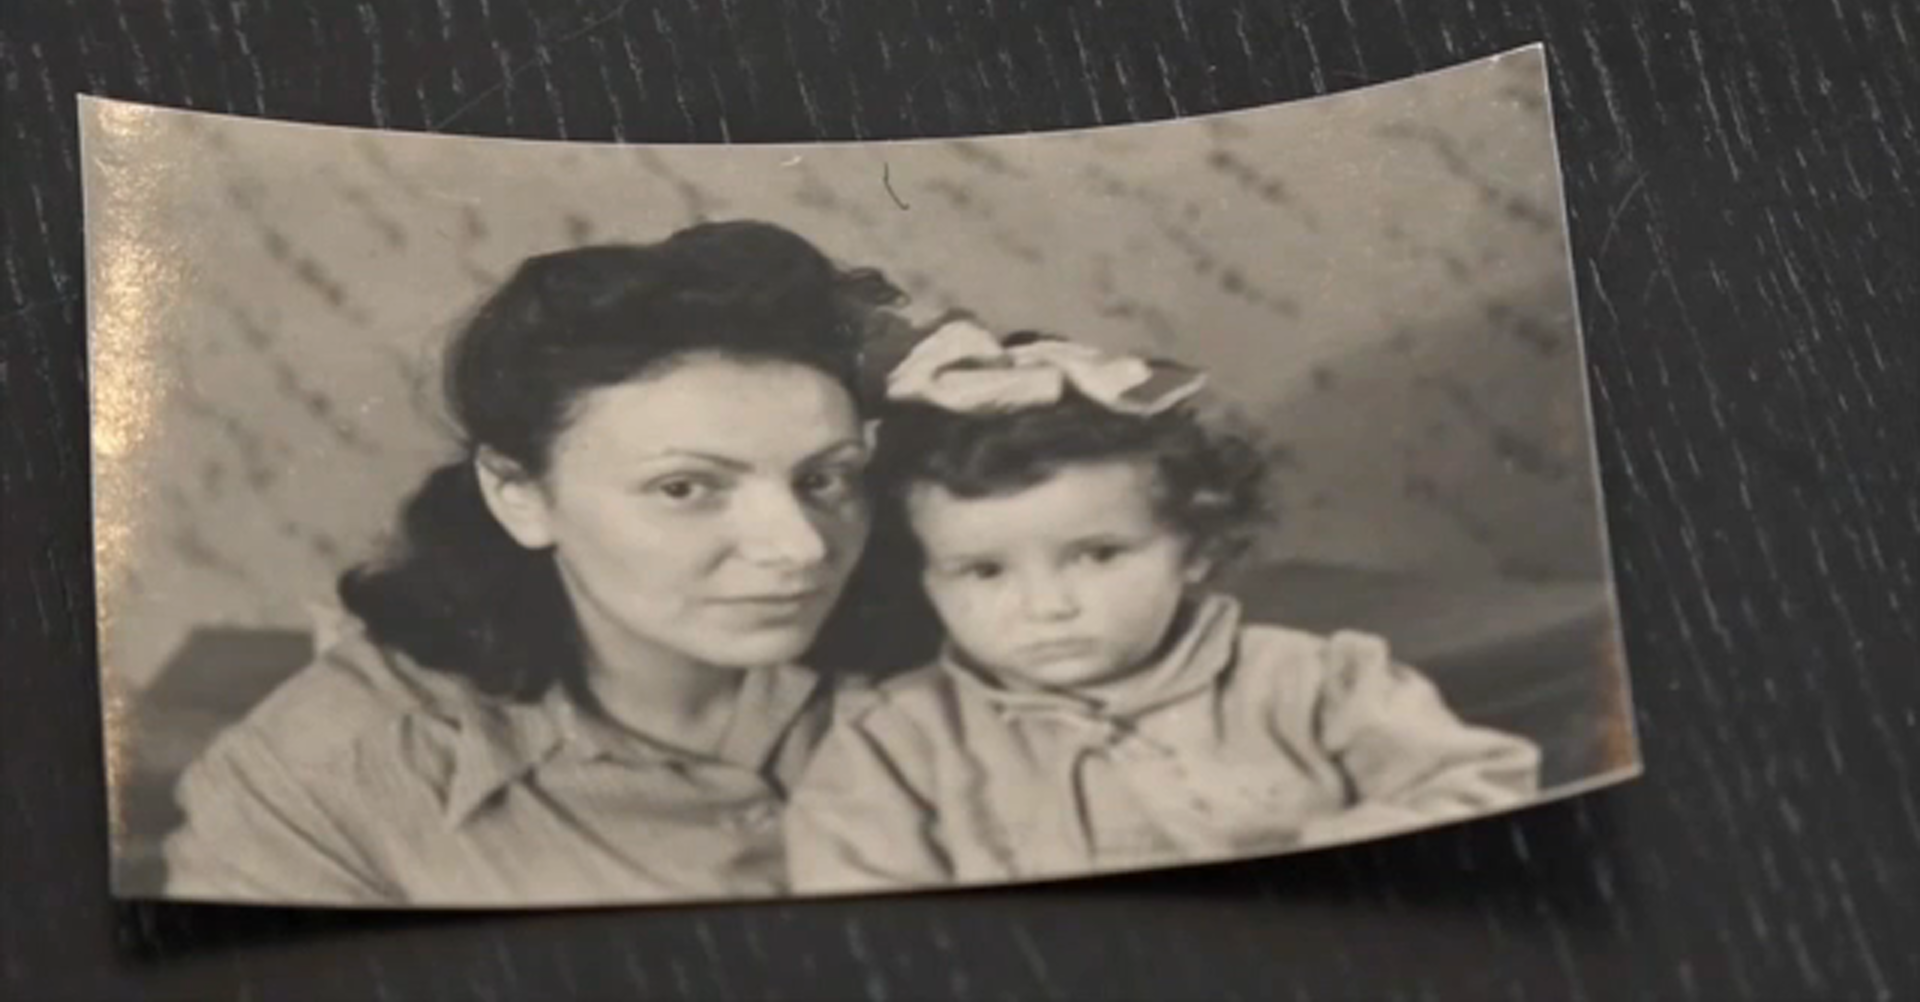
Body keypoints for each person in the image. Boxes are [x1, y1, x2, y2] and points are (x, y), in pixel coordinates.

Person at [162, 221, 930, 906]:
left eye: (824, 478)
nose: (800, 546)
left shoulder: (977, 644)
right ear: (518, 494)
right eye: (685, 487)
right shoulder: (322, 780)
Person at [784, 321, 1543, 892]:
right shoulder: (891, 746)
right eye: (983, 571)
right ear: (925, 577)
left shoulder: (1317, 680)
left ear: (1197, 548)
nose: (1047, 607)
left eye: (1099, 555)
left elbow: (1478, 790)